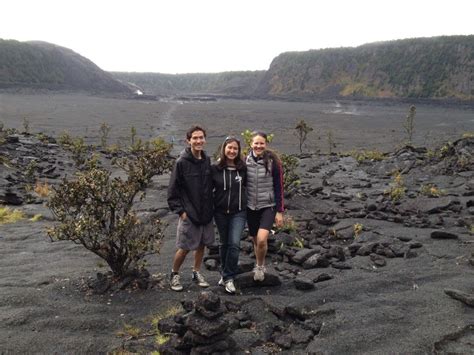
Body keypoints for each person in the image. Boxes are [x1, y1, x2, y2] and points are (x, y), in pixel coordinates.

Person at [167, 125, 214, 292]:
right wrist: (181, 212)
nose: (199, 140)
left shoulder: (207, 160)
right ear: (188, 141)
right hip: (189, 213)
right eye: (195, 138)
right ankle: (174, 274)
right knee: (185, 246)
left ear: (205, 140)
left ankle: (196, 272)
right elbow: (173, 190)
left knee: (202, 244)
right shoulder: (181, 163)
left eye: (201, 137)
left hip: (205, 212)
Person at [246, 131, 284, 281]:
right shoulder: (244, 161)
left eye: (262, 143)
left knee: (262, 239)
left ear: (266, 144)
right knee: (256, 241)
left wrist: (279, 211)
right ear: (251, 144)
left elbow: (279, 186)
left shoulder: (273, 162)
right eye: (256, 143)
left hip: (268, 205)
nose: (259, 146)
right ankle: (258, 262)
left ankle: (260, 267)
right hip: (250, 206)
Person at [212, 136, 247, 294]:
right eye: (229, 148)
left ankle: (229, 277)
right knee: (223, 243)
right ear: (224, 148)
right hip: (220, 212)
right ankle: (225, 274)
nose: (232, 151)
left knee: (234, 243)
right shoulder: (215, 168)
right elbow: (207, 189)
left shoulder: (243, 168)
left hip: (238, 212)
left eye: (235, 148)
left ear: (238, 151)